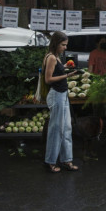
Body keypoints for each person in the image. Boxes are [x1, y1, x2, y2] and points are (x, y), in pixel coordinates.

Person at [44, 31, 80, 173]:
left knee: (66, 128)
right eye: (63, 45)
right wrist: (67, 75)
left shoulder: (57, 57)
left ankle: (67, 160)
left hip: (63, 95)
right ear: (56, 43)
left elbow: (56, 73)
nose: (65, 48)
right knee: (56, 130)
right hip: (57, 95)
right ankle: (51, 161)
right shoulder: (51, 57)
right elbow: (48, 80)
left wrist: (64, 67)